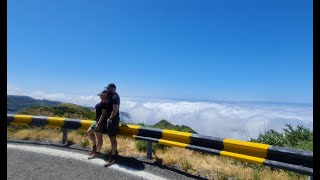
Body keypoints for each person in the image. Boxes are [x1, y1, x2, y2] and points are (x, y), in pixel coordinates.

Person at [87, 89, 109, 159]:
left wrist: (98, 124)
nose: (101, 96)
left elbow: (103, 114)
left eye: (102, 95)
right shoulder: (103, 102)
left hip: (101, 123)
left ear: (106, 96)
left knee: (99, 138)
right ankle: (94, 147)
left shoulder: (104, 103)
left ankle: (96, 153)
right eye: (100, 95)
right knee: (89, 132)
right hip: (97, 121)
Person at [103, 83, 120, 166]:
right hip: (111, 120)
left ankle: (113, 157)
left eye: (108, 88)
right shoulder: (112, 96)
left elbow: (115, 109)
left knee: (112, 137)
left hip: (112, 120)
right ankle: (114, 152)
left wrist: (110, 118)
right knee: (111, 136)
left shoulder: (115, 97)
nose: (107, 90)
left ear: (113, 88)